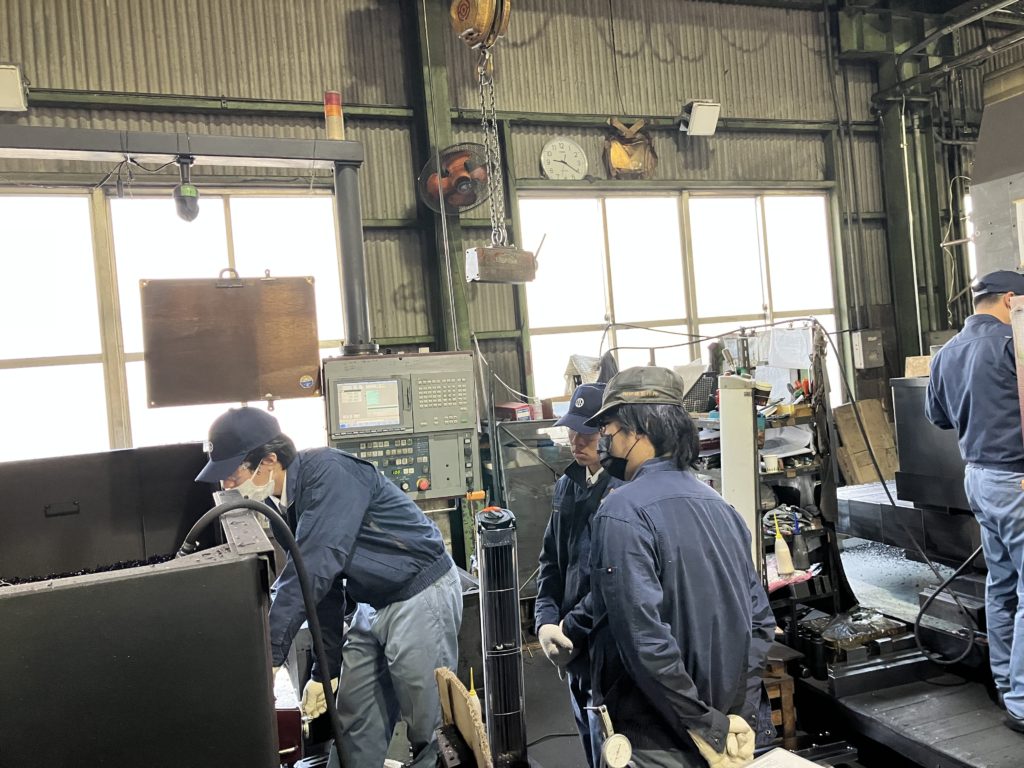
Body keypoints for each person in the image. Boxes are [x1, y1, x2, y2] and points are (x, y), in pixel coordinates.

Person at [195, 407, 463, 767]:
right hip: (372, 602)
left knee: (429, 731)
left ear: (269, 460)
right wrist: (325, 673)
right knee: (354, 721)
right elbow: (322, 593)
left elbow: (311, 569)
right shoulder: (285, 506)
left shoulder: (330, 473)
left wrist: (268, 657)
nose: (227, 485)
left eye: (232, 474)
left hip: (418, 594)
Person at [584, 366, 776, 768]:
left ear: (640, 430)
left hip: (655, 742)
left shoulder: (622, 511)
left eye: (609, 429)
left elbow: (644, 640)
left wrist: (702, 723)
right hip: (724, 735)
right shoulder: (721, 507)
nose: (604, 441)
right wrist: (731, 719)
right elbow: (760, 622)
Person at [926, 269, 1024, 733]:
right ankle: (1022, 701)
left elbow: (938, 417)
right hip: (1015, 479)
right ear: (1010, 299)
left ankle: (1007, 686)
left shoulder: (946, 353)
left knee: (1002, 584)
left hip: (978, 479)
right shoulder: (1012, 344)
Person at [535, 382, 624, 767]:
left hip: (609, 650)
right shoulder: (567, 486)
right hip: (572, 653)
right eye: (572, 430)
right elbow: (550, 562)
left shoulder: (625, 492)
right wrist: (545, 621)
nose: (576, 440)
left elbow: (614, 581)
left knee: (613, 750)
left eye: (587, 431)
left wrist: (569, 627)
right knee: (589, 745)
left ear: (609, 431)